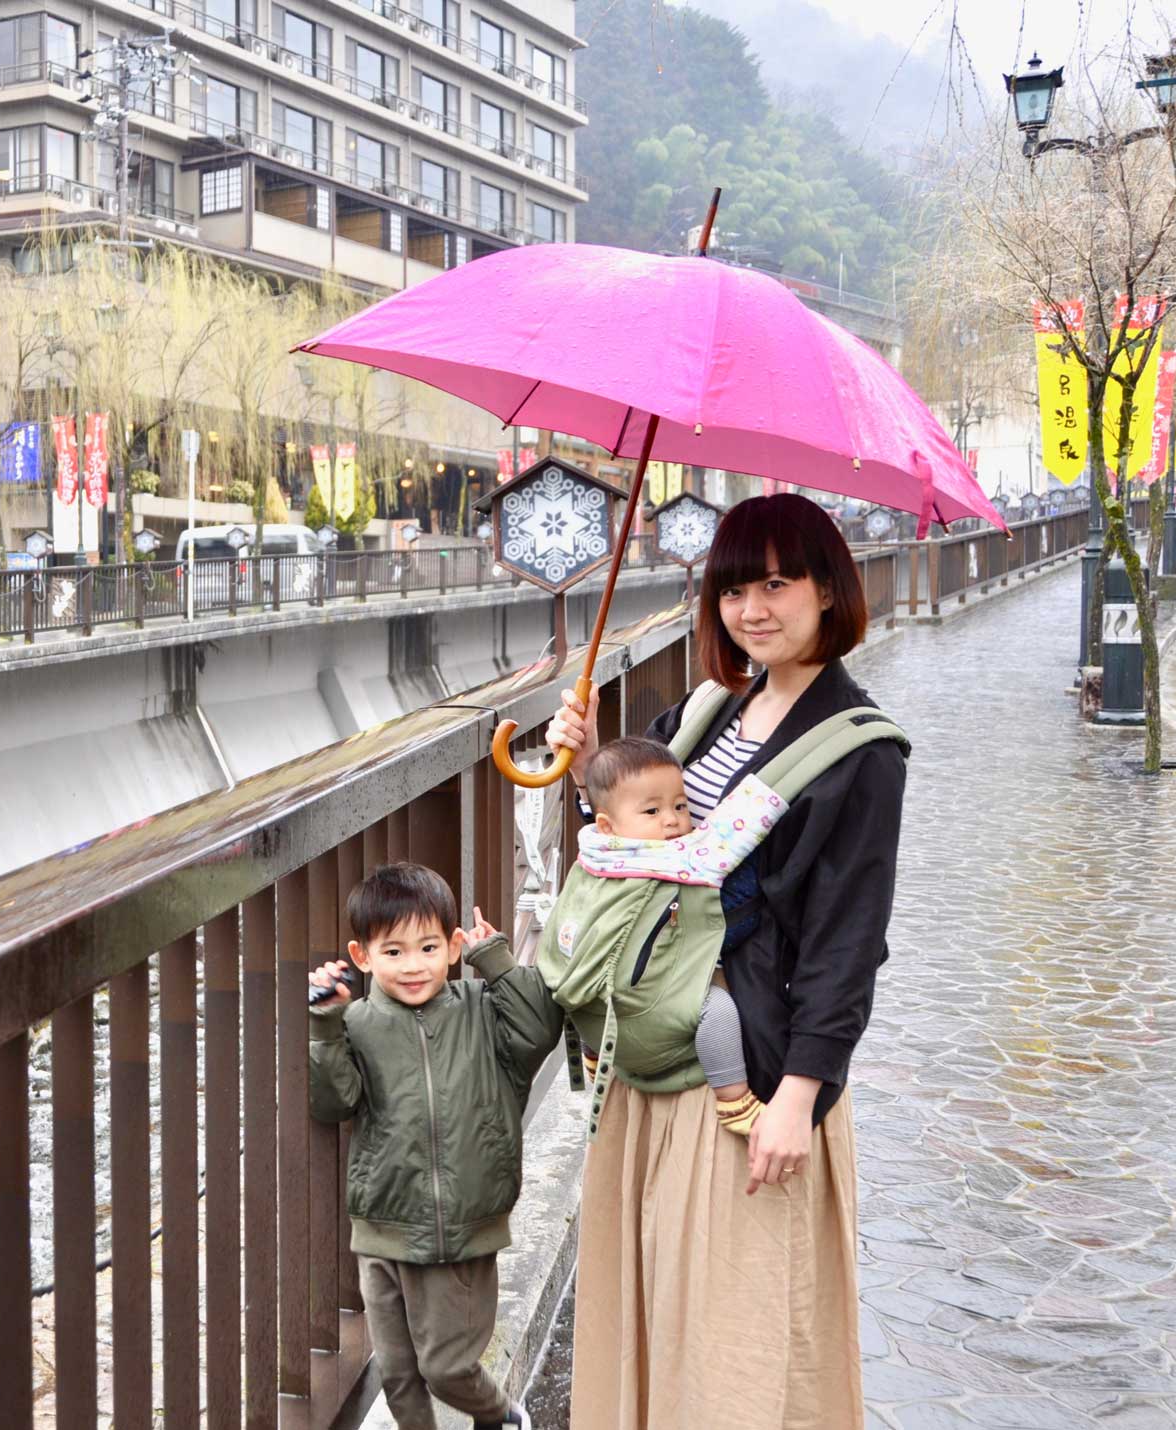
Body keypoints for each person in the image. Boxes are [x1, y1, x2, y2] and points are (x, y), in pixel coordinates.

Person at [544, 492, 907, 1430]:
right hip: (652, 1057)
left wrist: (798, 1095)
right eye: (734, 589)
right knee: (651, 1312)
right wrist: (583, 767)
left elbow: (846, 940)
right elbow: (631, 854)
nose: (752, 609)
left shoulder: (857, 752)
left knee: (735, 1342)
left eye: (777, 584)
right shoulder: (708, 709)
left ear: (827, 590)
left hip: (746, 1082)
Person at [306, 862, 555, 1430]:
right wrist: (324, 1024)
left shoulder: (480, 1008)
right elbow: (333, 1101)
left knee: (446, 1367)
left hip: (463, 1228)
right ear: (362, 956)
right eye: (392, 953)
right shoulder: (359, 1022)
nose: (413, 966)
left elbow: (538, 1029)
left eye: (427, 947)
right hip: (384, 1222)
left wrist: (492, 956)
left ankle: (502, 1418)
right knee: (397, 1373)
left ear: (452, 947)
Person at [562, 734, 766, 1135]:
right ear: (607, 823)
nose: (672, 820)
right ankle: (735, 1100)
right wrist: (766, 800)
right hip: (655, 981)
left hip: (600, 977)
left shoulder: (599, 850)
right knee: (716, 1010)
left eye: (681, 806)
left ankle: (591, 1050)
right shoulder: (673, 857)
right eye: (652, 810)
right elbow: (731, 843)